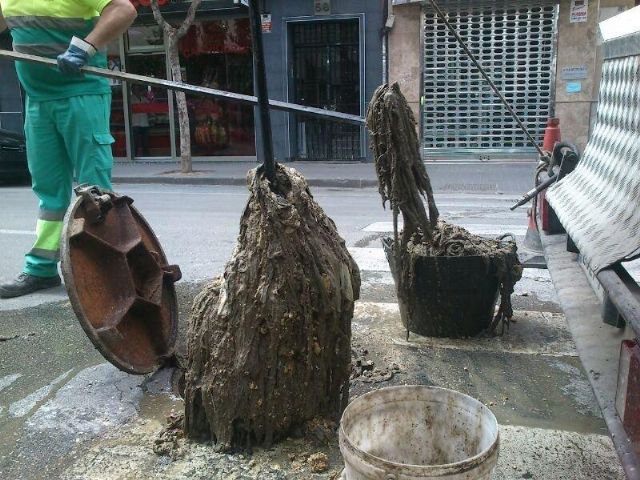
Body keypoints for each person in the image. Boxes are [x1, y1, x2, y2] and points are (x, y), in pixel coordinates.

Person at [0, 0, 137, 298]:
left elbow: (123, 9)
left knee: (94, 190)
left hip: (82, 92)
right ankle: (41, 269)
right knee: (48, 191)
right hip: (38, 100)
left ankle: (102, 270)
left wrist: (83, 49)